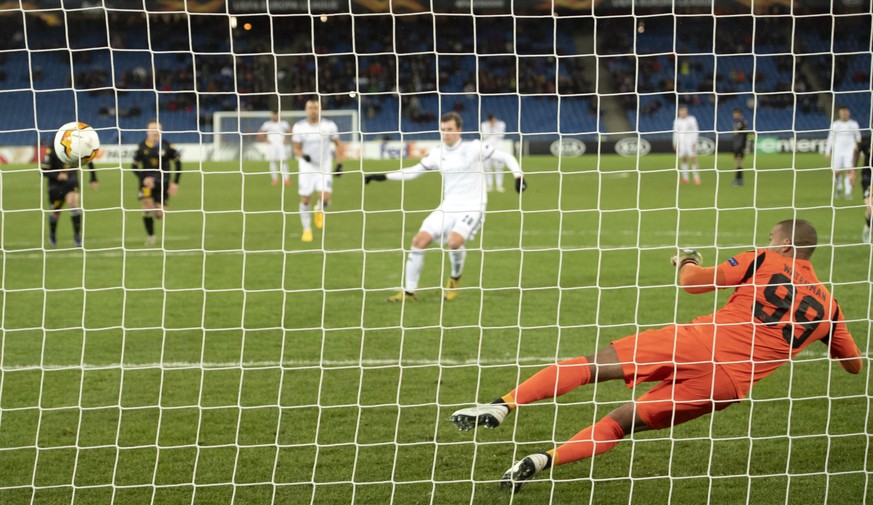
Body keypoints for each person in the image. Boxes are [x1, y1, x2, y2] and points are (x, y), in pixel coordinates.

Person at [450, 219, 861, 492]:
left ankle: (501, 405)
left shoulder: (765, 259)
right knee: (618, 425)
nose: (769, 240)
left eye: (773, 235)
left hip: (697, 341)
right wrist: (820, 334)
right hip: (729, 385)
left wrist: (686, 261)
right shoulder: (831, 308)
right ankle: (541, 461)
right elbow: (854, 365)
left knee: (594, 366)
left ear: (786, 242)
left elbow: (694, 284)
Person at [365, 112, 526, 302]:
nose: (446, 134)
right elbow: (414, 172)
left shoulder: (474, 147)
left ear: (459, 130)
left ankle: (454, 280)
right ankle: (408, 292)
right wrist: (383, 176)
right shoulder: (437, 152)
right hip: (448, 206)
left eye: (450, 130)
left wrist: (518, 176)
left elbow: (506, 157)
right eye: (442, 130)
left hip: (473, 206)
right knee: (419, 241)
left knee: (454, 242)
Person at [292, 98, 345, 242]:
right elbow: (295, 148)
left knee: (325, 198)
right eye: (310, 108)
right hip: (306, 167)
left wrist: (340, 164)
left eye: (316, 108)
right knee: (305, 199)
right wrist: (303, 156)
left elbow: (338, 144)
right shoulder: (299, 127)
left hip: (324, 166)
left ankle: (319, 209)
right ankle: (307, 230)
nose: (313, 111)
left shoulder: (329, 126)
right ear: (306, 110)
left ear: (320, 109)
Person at [132, 119, 181, 246]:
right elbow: (133, 166)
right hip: (146, 184)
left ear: (161, 130)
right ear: (147, 131)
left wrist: (175, 182)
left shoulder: (167, 146)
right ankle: (151, 236)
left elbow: (178, 164)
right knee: (147, 205)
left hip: (163, 183)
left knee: (159, 214)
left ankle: (157, 208)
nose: (155, 132)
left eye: (157, 129)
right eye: (152, 129)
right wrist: (144, 178)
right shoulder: (141, 147)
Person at [41, 145, 98, 247]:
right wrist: (57, 175)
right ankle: (53, 235)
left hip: (71, 184)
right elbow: (43, 170)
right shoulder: (52, 152)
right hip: (56, 187)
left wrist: (93, 178)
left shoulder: (76, 149)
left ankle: (77, 237)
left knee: (73, 205)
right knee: (55, 213)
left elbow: (88, 160)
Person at [825, 106, 861, 199]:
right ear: (839, 114)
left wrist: (860, 153)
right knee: (836, 172)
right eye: (842, 113)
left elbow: (858, 138)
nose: (844, 114)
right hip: (837, 151)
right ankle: (839, 187)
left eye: (846, 112)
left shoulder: (854, 124)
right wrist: (827, 151)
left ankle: (848, 193)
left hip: (850, 151)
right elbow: (830, 138)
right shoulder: (835, 124)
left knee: (849, 171)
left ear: (848, 113)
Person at [257, 110, 291, 186]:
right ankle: (275, 179)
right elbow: (260, 131)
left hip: (281, 145)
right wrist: (265, 139)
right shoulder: (267, 124)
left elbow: (289, 131)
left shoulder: (283, 123)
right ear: (271, 116)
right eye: (273, 115)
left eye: (276, 115)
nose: (275, 116)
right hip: (272, 145)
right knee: (272, 161)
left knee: (283, 161)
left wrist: (287, 139)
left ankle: (286, 179)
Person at [673, 105, 700, 185]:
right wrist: (675, 143)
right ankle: (685, 178)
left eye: (684, 110)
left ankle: (696, 177)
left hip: (690, 141)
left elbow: (696, 130)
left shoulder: (691, 119)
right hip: (681, 142)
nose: (683, 112)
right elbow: (675, 132)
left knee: (693, 158)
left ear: (686, 111)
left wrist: (694, 141)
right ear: (679, 112)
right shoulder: (677, 121)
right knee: (683, 159)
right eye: (681, 111)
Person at [481, 113, 508, 192]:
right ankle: (489, 185)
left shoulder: (501, 124)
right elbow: (485, 136)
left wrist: (494, 128)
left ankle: (499, 185)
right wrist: (490, 127)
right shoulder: (484, 125)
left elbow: (501, 135)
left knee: (499, 167)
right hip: (487, 148)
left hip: (498, 148)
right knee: (488, 167)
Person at [856, 132, 871, 241]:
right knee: (870, 207)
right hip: (868, 176)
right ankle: (868, 226)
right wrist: (852, 170)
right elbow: (856, 152)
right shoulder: (866, 141)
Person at [731, 108, 750, 187]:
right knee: (737, 162)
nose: (734, 115)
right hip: (737, 144)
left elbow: (742, 134)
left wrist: (742, 145)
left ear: (739, 114)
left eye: (736, 113)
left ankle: (739, 179)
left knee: (739, 162)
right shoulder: (737, 122)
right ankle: (738, 179)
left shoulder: (741, 122)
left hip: (740, 145)